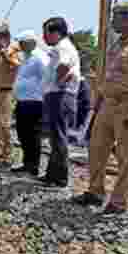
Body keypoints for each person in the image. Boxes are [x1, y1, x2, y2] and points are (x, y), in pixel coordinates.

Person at [74, 2, 128, 214]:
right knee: (96, 149)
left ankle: (119, 201)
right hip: (107, 104)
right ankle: (95, 191)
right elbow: (109, 75)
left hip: (127, 105)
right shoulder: (117, 44)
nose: (112, 20)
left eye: (116, 15)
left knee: (125, 156)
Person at [39, 17, 80, 187]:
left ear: (56, 33)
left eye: (46, 33)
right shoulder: (63, 46)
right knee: (55, 137)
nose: (44, 37)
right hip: (58, 95)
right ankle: (52, 174)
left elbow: (63, 65)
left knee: (58, 136)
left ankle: (60, 177)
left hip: (60, 95)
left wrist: (57, 82)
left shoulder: (62, 46)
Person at [12, 30, 48, 177]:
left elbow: (47, 77)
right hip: (23, 101)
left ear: (31, 43)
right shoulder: (25, 57)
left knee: (32, 135)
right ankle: (27, 162)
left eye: (22, 42)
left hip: (34, 102)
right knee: (23, 133)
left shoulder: (40, 57)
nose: (19, 45)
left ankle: (33, 166)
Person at [0, 21, 21, 165]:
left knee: (5, 124)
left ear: (5, 36)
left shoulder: (14, 49)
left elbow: (18, 66)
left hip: (7, 92)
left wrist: (7, 55)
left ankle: (7, 154)